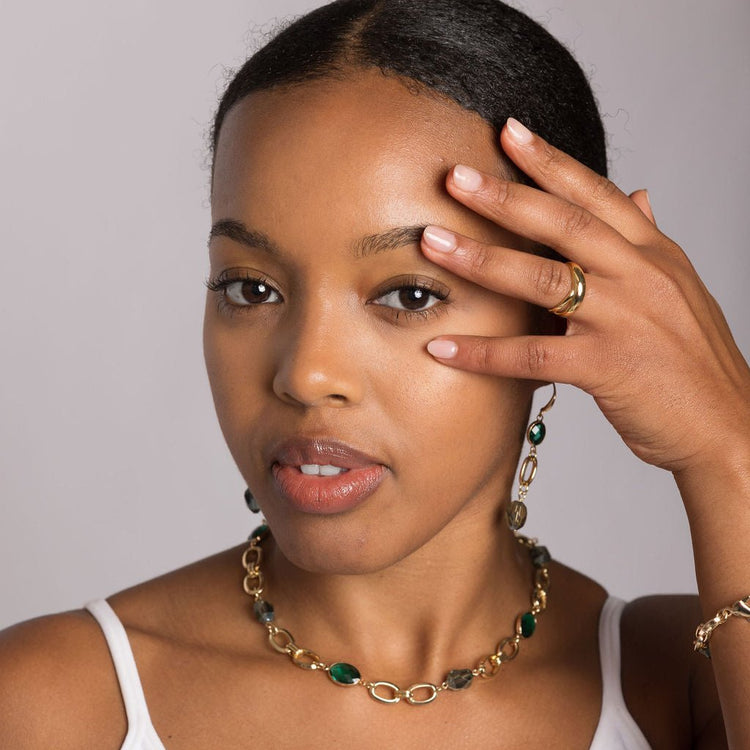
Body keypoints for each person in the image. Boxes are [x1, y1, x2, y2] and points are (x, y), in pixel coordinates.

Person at [1, 0, 748, 746]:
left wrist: (727, 449)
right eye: (250, 289)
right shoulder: (54, 706)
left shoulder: (687, 683)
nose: (307, 373)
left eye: (409, 294)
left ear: (553, 312)